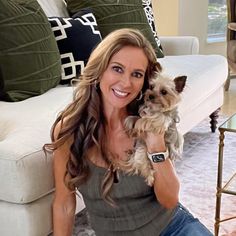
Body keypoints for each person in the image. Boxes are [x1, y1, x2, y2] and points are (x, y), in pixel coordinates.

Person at [44, 28, 213, 236]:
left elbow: (169, 199)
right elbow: (64, 203)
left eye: (137, 74)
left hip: (173, 228)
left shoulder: (151, 119)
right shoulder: (70, 130)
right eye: (117, 69)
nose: (126, 83)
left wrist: (155, 145)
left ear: (144, 81)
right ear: (100, 70)